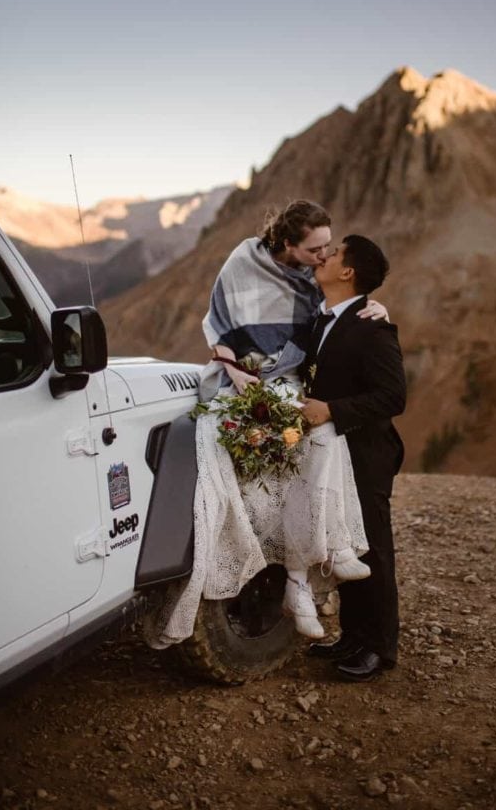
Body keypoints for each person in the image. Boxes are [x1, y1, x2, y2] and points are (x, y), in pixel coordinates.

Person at [145, 201, 387, 649]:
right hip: (243, 376)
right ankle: (294, 577)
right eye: (315, 248)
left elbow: (337, 309)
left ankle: (325, 553)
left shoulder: (313, 281)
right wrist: (231, 366)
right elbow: (220, 321)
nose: (324, 256)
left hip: (291, 377)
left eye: (329, 247)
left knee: (320, 436)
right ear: (288, 243)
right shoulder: (243, 261)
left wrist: (375, 308)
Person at [300, 235, 407, 681]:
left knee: (373, 549)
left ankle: (380, 648)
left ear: (348, 273)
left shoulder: (373, 328)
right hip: (332, 455)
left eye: (335, 253)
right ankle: (352, 635)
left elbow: (393, 396)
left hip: (365, 453)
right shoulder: (322, 320)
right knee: (345, 542)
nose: (324, 256)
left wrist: (333, 411)